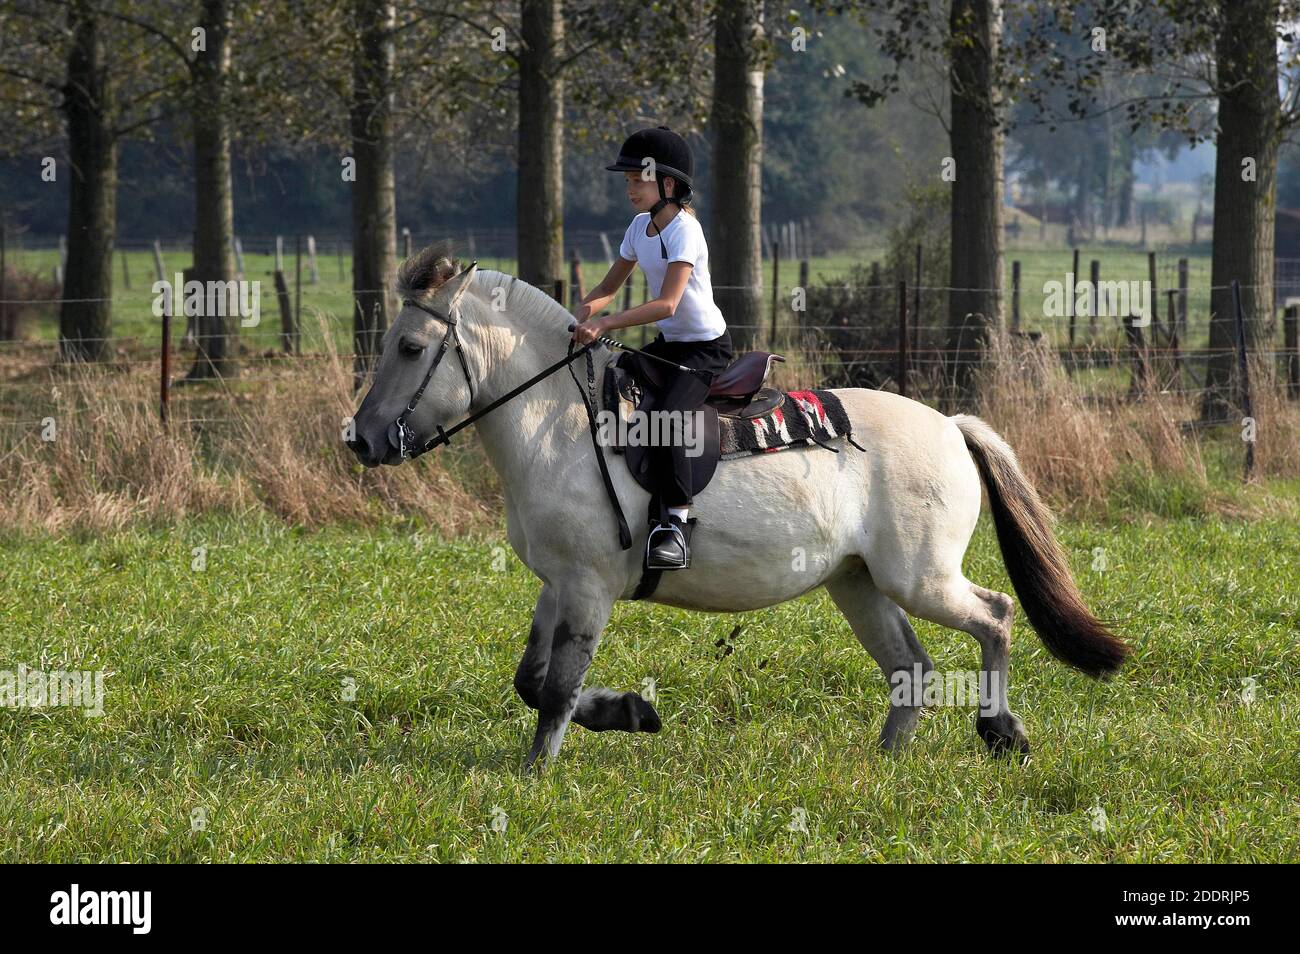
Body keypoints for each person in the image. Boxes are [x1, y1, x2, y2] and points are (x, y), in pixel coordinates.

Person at [570, 126, 733, 570]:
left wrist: (605, 322)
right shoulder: (639, 228)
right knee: (612, 383)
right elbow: (606, 288)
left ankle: (675, 525)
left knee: (666, 417)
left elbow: (668, 303)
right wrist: (576, 316)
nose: (629, 189)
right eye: (626, 181)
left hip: (705, 351)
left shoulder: (687, 232)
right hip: (670, 345)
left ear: (668, 185)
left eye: (636, 181)